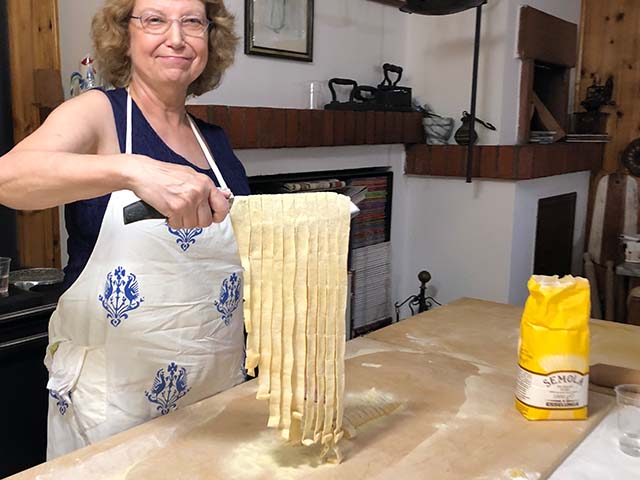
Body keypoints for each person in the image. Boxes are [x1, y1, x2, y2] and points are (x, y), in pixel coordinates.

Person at [0, 0, 249, 459]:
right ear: (125, 35)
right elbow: (9, 179)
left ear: (209, 40)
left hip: (213, 385)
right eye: (154, 20)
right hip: (117, 397)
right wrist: (131, 170)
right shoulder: (98, 114)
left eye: (192, 22)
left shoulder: (214, 141)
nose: (176, 37)